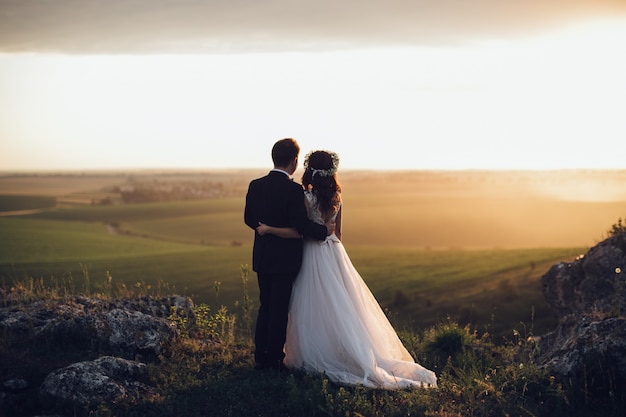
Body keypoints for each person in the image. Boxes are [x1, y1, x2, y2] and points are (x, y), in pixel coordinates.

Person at [256, 150, 437, 389]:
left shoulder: (306, 197)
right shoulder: (337, 197)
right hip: (333, 251)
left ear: (310, 170)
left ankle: (313, 351)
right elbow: (338, 234)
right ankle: (345, 348)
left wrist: (271, 230)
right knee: (340, 302)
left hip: (311, 251)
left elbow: (301, 229)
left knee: (311, 302)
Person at [244, 138, 335, 371]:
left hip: (263, 257)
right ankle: (274, 358)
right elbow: (301, 225)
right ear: (294, 161)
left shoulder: (255, 185)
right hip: (285, 259)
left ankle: (260, 355)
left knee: (265, 306)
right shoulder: (293, 190)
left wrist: (264, 229)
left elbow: (248, 219)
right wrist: (324, 231)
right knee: (279, 309)